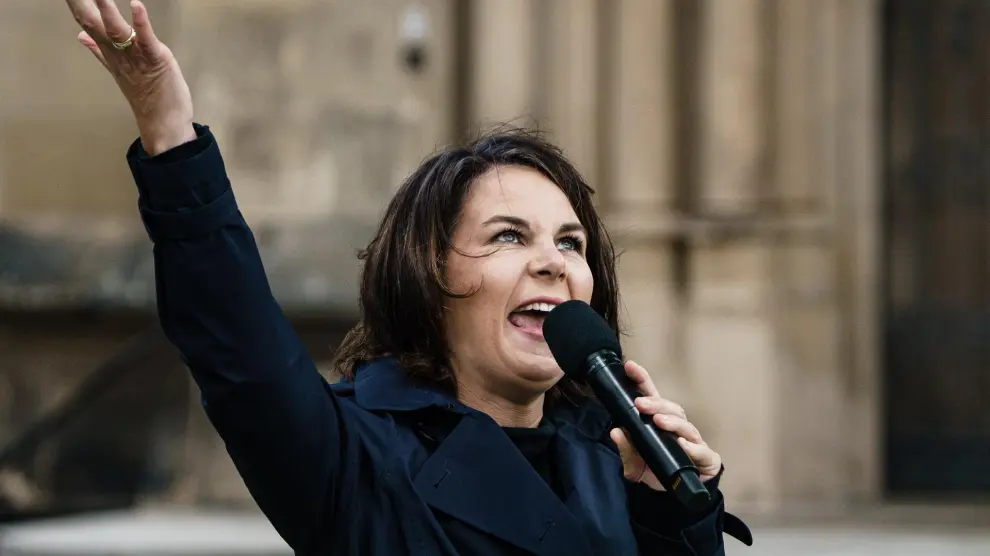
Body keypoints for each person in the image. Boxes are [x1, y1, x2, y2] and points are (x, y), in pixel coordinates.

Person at [64, 1, 753, 554]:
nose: (553, 261)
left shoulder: (617, 461)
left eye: (571, 242)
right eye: (508, 235)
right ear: (429, 273)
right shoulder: (357, 456)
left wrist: (675, 517)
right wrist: (169, 132)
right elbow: (238, 347)